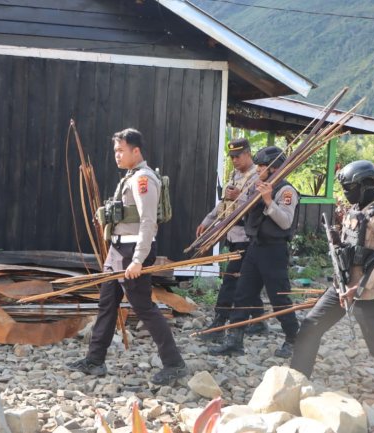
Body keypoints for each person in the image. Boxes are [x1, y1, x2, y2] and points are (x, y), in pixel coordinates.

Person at [67, 128, 187, 385]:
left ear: (136, 151)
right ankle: (94, 360)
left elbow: (147, 221)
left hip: (133, 251)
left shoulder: (144, 179)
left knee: (144, 307)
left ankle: (174, 363)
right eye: (115, 151)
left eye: (121, 150)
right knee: (107, 304)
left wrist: (138, 260)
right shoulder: (130, 177)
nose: (117, 156)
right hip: (117, 251)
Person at [291, 160, 374, 403]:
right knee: (310, 327)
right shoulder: (356, 211)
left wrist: (359, 287)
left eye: (349, 187)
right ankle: (296, 384)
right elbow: (353, 249)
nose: (345, 192)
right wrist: (336, 242)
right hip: (341, 288)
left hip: (368, 294)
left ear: (365, 186)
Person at [210, 146, 299, 359]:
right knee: (243, 292)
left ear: (275, 168)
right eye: (257, 166)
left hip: (274, 251)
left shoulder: (286, 191)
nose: (258, 170)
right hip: (254, 247)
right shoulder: (256, 186)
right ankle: (234, 341)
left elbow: (285, 222)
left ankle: (294, 339)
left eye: (262, 166)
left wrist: (268, 200)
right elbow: (242, 207)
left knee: (279, 297)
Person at [195, 138, 266, 342]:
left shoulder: (258, 176)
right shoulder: (234, 175)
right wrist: (207, 221)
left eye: (238, 156)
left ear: (248, 154)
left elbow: (257, 206)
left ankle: (219, 322)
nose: (234, 160)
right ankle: (259, 319)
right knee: (244, 280)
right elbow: (223, 205)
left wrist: (239, 198)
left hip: (247, 236)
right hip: (233, 235)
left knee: (231, 281)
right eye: (232, 157)